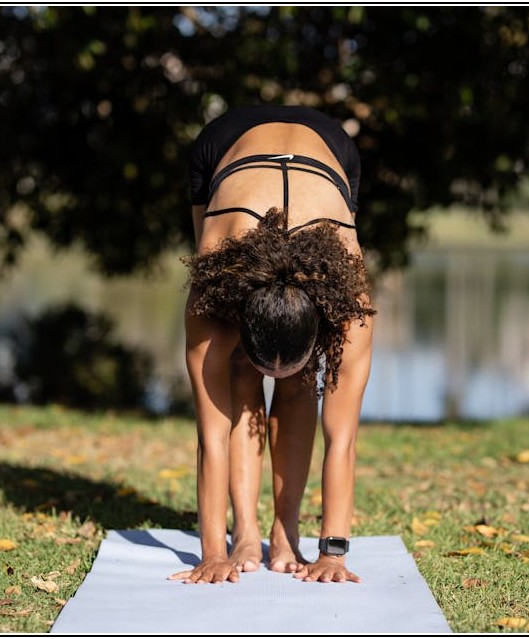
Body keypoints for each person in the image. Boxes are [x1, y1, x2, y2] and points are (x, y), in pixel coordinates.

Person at [169, 105, 375, 585]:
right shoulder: (213, 300)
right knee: (237, 370)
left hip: (331, 150)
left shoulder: (350, 305)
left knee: (301, 381)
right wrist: (213, 553)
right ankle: (244, 533)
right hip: (223, 147)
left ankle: (286, 533)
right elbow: (210, 433)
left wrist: (334, 553)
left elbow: (342, 438)